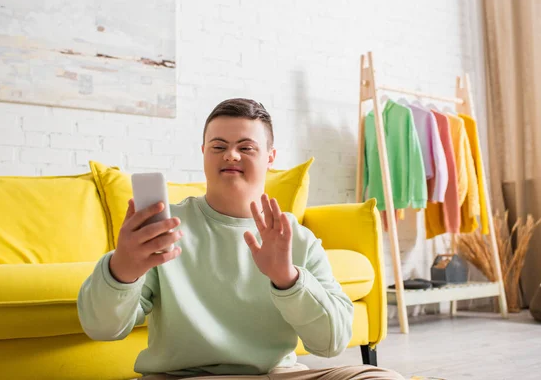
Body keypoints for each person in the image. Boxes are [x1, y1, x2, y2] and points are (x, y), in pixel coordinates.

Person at [77, 98, 405, 380]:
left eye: (245, 147)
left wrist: (287, 280)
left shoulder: (297, 239)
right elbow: (102, 328)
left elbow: (332, 342)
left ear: (270, 157)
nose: (231, 155)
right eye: (219, 146)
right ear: (204, 152)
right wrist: (122, 269)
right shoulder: (164, 231)